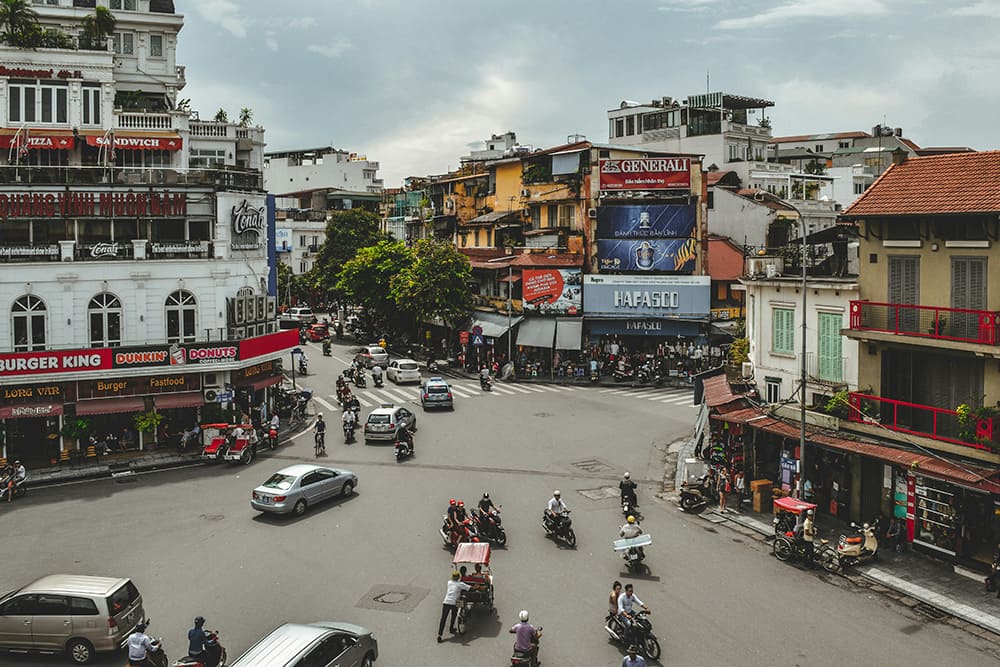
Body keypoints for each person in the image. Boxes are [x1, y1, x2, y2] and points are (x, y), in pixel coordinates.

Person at [437, 571, 471, 642]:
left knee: (443, 618)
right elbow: (469, 588)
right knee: (454, 615)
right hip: (454, 603)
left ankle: (439, 635)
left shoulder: (449, 582)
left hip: (446, 602)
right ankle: (451, 628)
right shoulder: (460, 584)